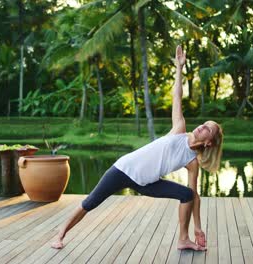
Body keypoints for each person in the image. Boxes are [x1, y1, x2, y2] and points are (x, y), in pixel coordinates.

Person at [51, 45, 223, 251]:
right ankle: (61, 233)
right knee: (91, 202)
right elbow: (177, 97)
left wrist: (198, 227)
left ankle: (183, 239)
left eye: (207, 129)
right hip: (125, 169)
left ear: (209, 142)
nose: (201, 126)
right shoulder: (179, 130)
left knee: (186, 194)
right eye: (204, 124)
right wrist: (179, 67)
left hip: (147, 183)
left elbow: (195, 196)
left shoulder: (192, 162)